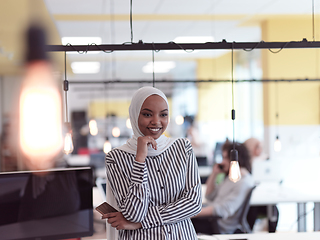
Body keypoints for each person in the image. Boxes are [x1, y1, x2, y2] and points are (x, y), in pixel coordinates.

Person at [103, 86, 202, 240]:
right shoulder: (116, 157)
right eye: (147, 114)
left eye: (163, 114)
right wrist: (140, 159)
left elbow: (194, 204)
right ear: (135, 115)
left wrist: (141, 223)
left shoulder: (183, 148)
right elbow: (134, 214)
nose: (156, 121)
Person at [191, 141, 254, 234]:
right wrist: (214, 173)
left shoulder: (243, 181)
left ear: (235, 159)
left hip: (219, 224)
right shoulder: (232, 176)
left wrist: (193, 213)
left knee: (182, 222)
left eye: (225, 158)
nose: (222, 162)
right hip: (212, 219)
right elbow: (209, 196)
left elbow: (223, 210)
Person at [244, 137, 279, 233]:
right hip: (249, 199)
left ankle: (272, 235)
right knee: (252, 211)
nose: (260, 150)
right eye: (257, 147)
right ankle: (248, 234)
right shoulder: (245, 163)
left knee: (274, 210)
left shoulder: (265, 161)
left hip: (264, 195)